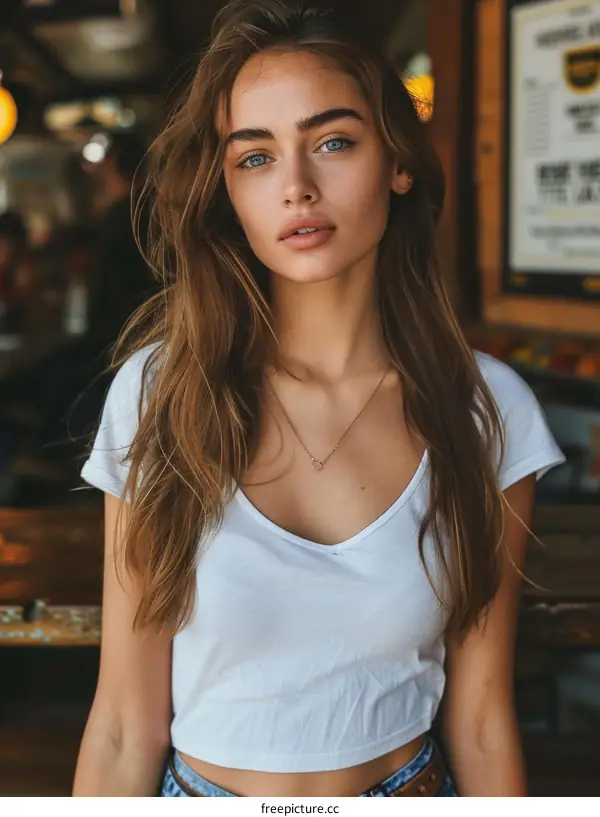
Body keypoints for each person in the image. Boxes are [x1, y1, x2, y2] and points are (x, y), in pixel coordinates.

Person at [73, 0, 565, 798]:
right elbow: (126, 722)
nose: (297, 187)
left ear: (397, 161)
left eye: (333, 142)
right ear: (228, 189)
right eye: (256, 158)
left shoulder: (486, 410)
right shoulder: (161, 394)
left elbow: (480, 716)